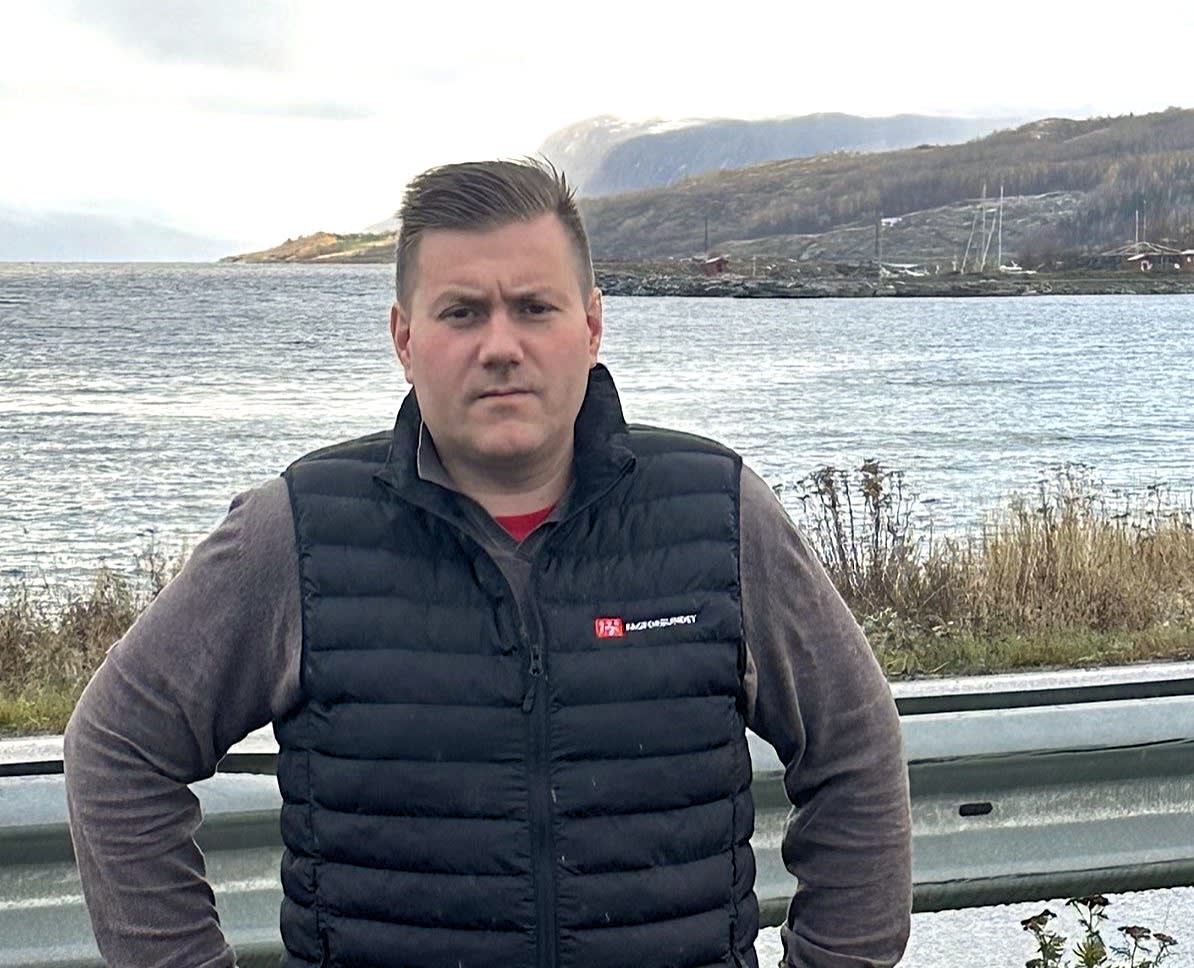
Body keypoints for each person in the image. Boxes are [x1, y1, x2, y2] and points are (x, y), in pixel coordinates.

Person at [64, 158, 911, 968]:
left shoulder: (718, 513)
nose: (501, 345)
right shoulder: (295, 532)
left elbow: (854, 748)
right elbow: (118, 749)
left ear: (591, 326)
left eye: (534, 307)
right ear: (405, 337)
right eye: (462, 312)